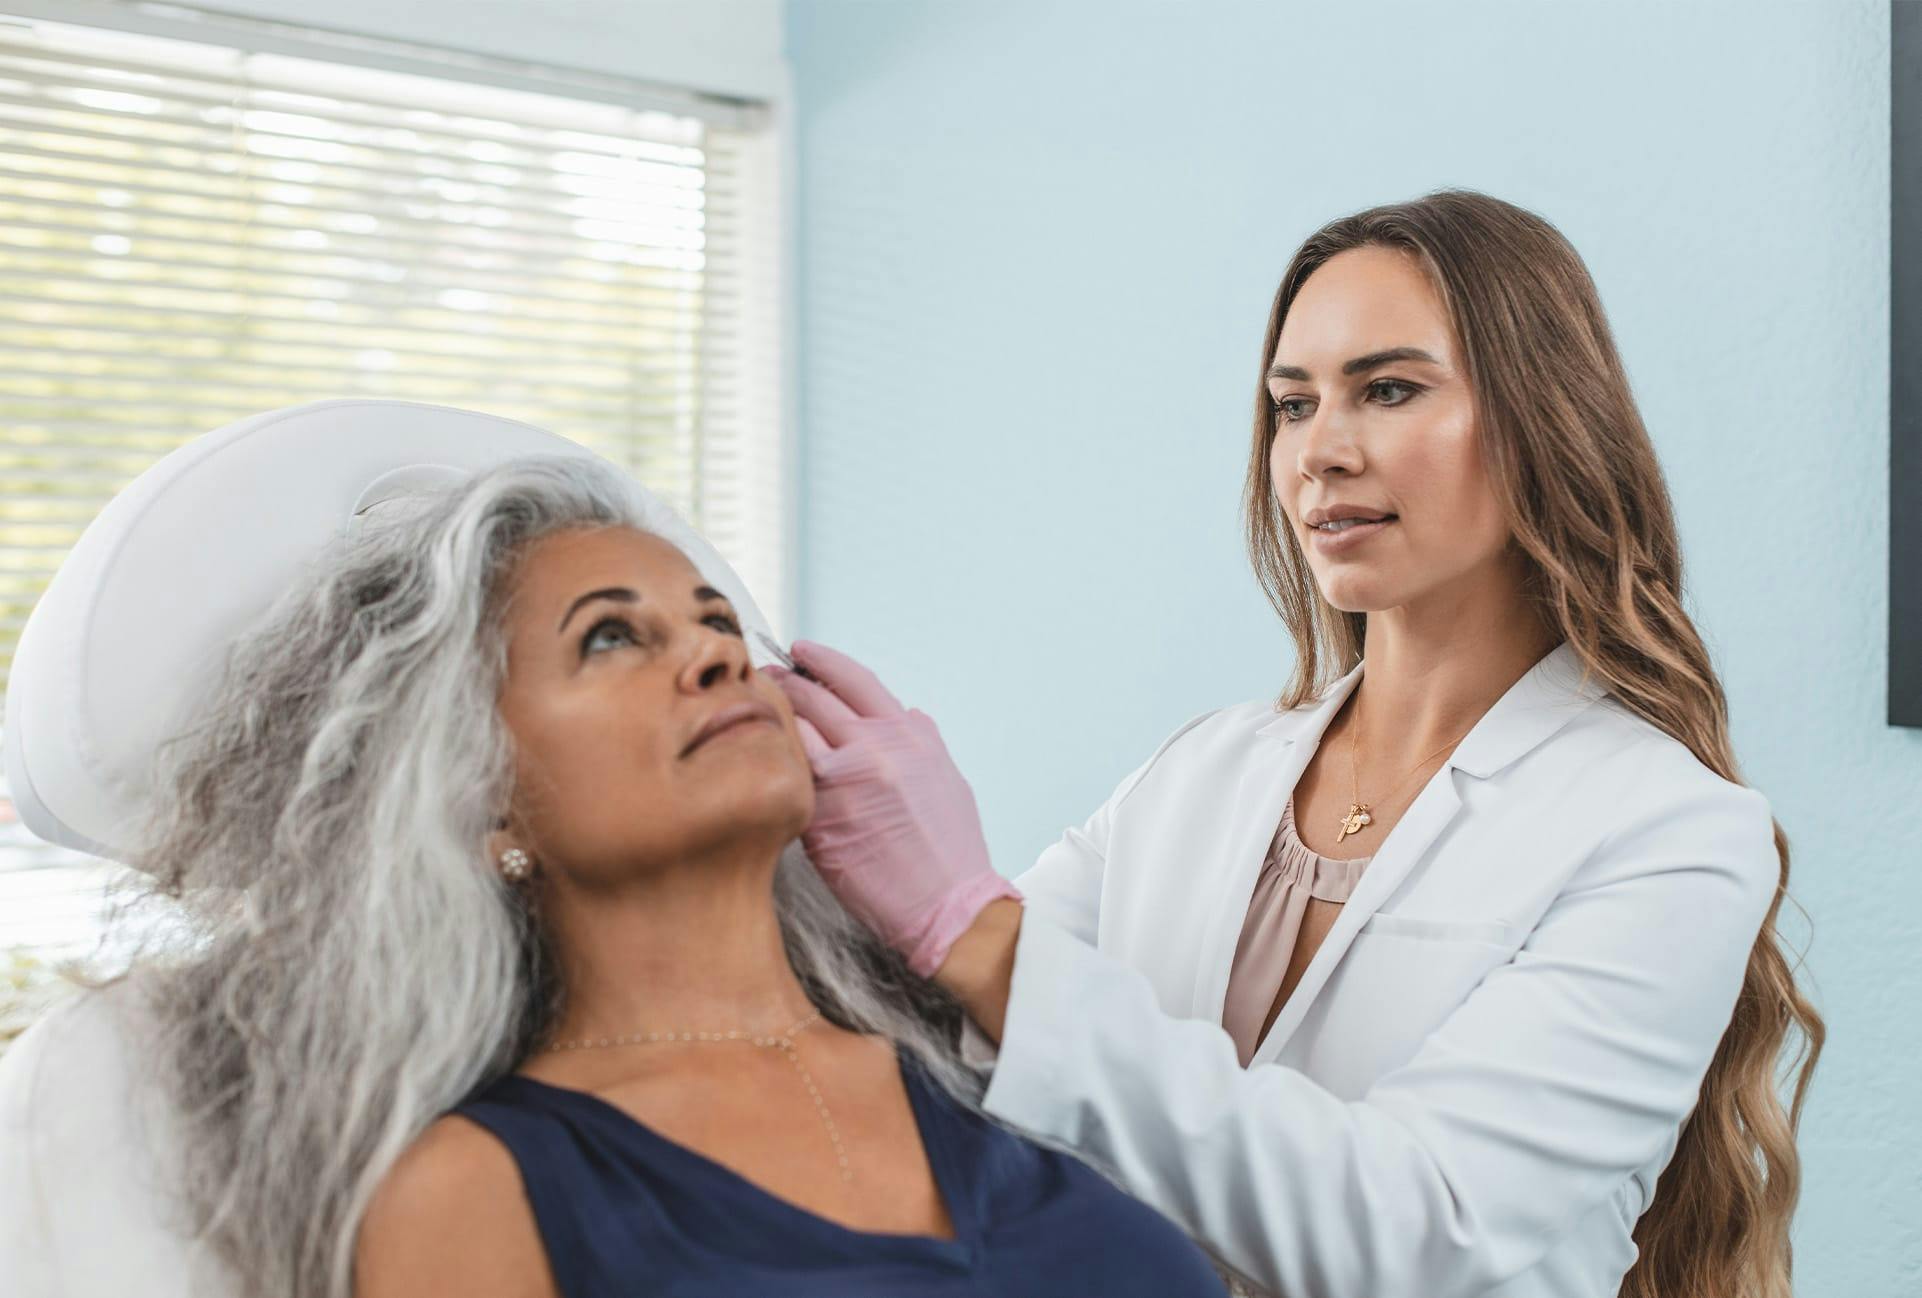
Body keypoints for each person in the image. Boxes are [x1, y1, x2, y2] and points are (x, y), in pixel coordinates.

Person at [767, 189, 1826, 1298]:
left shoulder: (1667, 830)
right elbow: (937, 1040)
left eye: (1387, 389)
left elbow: (1422, 1229)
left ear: (1537, 416)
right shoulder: (1203, 770)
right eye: (1289, 404)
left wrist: (969, 920)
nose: (1318, 452)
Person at [0, 408, 1235, 1298]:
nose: (713, 653)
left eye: (713, 618)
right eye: (607, 639)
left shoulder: (997, 1057)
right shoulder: (475, 1188)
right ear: (482, 797)